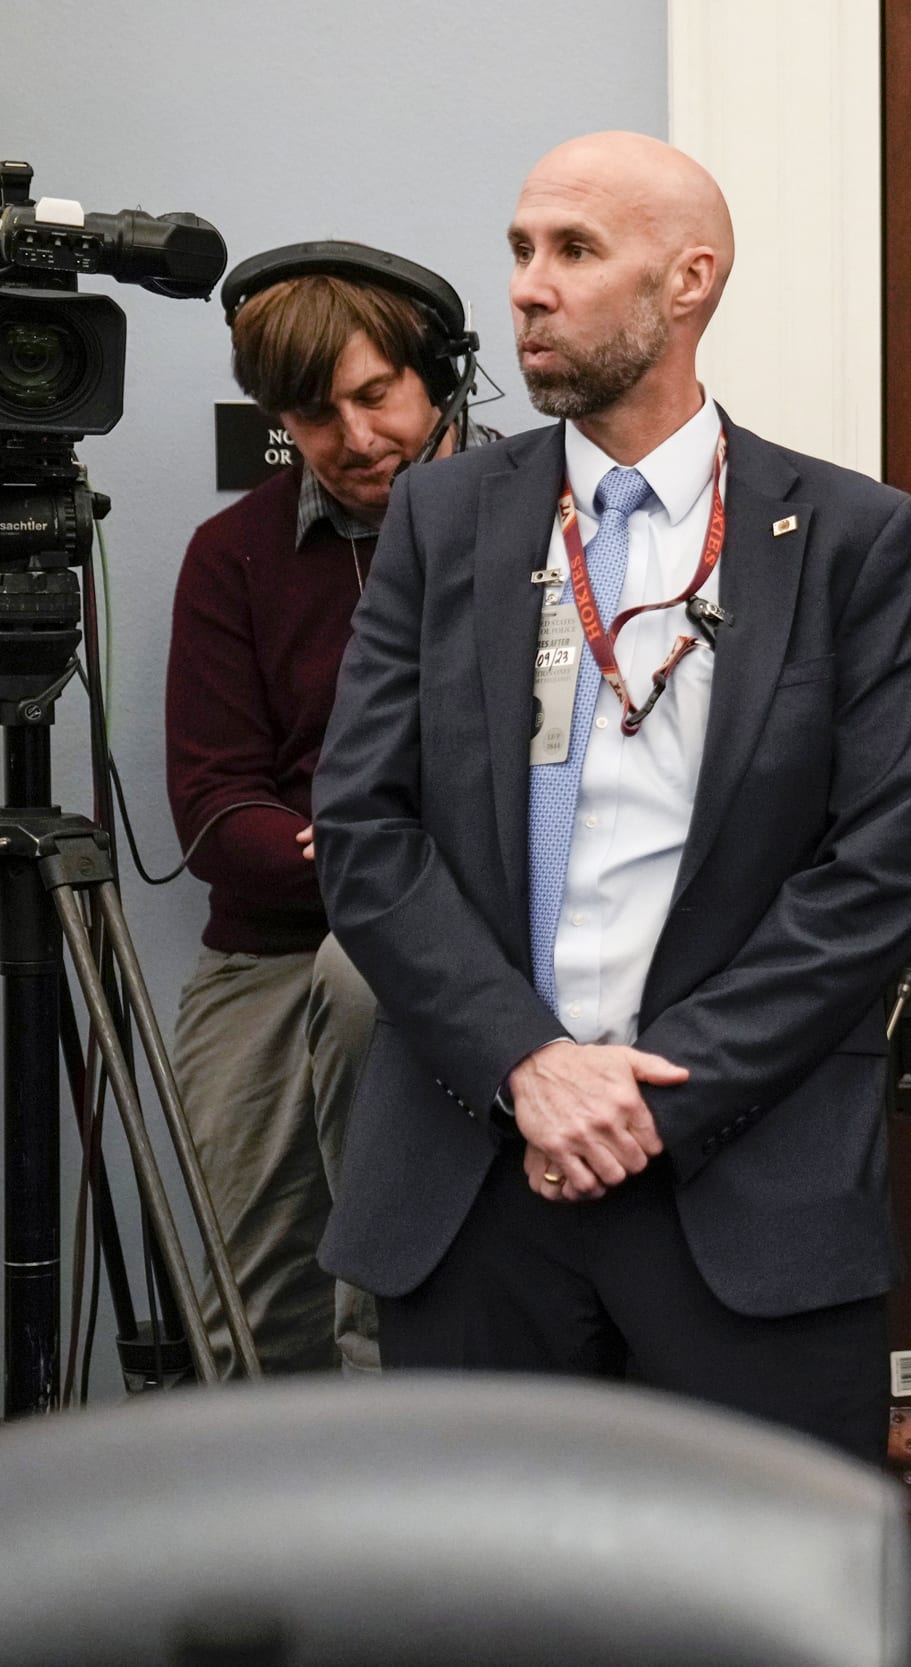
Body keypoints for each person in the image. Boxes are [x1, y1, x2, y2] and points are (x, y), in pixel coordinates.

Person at [312, 131, 911, 1463]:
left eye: (576, 251)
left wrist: (653, 1094)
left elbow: (876, 868)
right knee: (480, 1599)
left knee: (763, 1605)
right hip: (479, 1172)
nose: (530, 287)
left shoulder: (849, 538)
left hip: (742, 1174)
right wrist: (531, 1064)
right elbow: (366, 826)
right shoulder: (443, 523)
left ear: (690, 281)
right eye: (522, 251)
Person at [167, 246, 484, 1375]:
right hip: (269, 947)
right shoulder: (233, 557)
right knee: (245, 1313)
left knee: (408, 1297)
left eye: (375, 396)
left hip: (468, 935)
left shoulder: (540, 527)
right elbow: (212, 804)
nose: (355, 440)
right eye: (314, 414)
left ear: (436, 375)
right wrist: (362, 852)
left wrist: (399, 875)